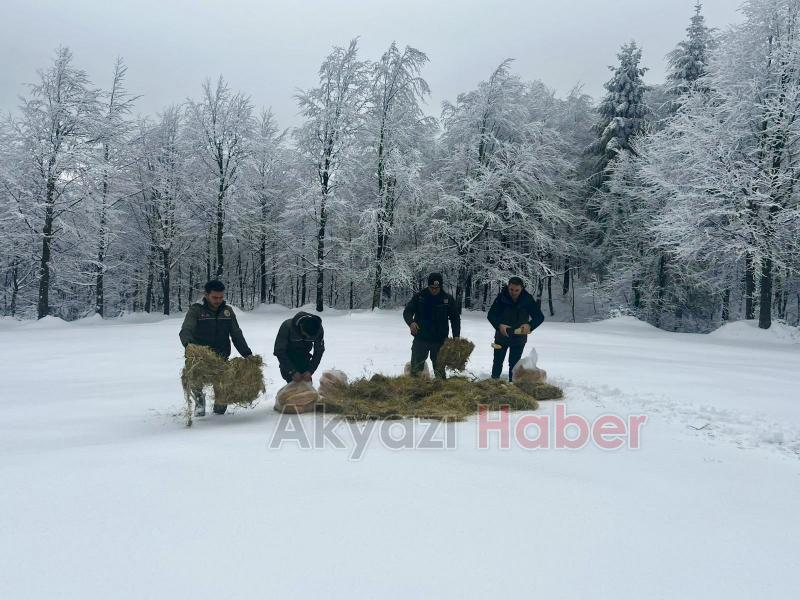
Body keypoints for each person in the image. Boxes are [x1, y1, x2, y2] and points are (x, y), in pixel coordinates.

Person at [179, 280, 253, 416]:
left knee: (221, 398)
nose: (218, 300)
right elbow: (186, 329)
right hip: (199, 357)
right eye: (215, 297)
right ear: (206, 295)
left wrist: (247, 354)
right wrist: (188, 345)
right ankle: (200, 403)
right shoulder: (196, 310)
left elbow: (236, 334)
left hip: (221, 356)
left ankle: (219, 410)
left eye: (221, 297)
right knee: (195, 381)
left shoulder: (227, 312)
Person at [403, 272, 461, 379]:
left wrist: (456, 335)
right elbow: (407, 312)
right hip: (421, 339)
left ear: (440, 286)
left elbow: (455, 318)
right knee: (415, 370)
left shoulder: (447, 300)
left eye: (437, 288)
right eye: (432, 287)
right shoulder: (420, 297)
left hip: (439, 341)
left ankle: (440, 391)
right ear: (428, 286)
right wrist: (411, 323)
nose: (434, 290)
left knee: (440, 373)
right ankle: (416, 390)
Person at [487, 277, 545, 381]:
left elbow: (539, 317)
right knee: (497, 362)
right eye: (511, 289)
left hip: (519, 338)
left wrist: (530, 325)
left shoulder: (527, 299)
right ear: (508, 287)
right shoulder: (501, 298)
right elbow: (491, 315)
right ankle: (493, 382)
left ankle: (512, 385)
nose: (513, 292)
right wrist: (499, 325)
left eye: (517, 290)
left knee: (514, 365)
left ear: (522, 288)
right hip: (501, 336)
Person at [273, 311, 325, 384]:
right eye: (306, 334)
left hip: (305, 358)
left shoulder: (318, 329)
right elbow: (279, 351)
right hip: (288, 358)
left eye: (310, 337)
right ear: (301, 325)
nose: (307, 337)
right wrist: (292, 371)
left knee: (306, 384)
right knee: (293, 384)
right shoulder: (287, 326)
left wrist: (310, 371)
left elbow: (318, 352)